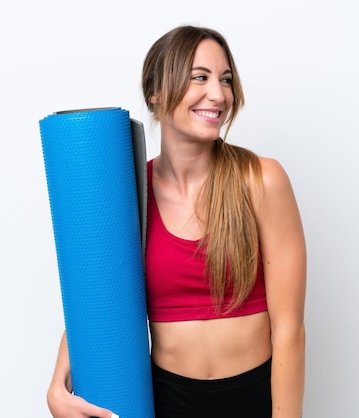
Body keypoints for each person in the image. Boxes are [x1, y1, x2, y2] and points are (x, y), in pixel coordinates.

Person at [46, 25, 306, 418]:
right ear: (155, 93)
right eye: (199, 77)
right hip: (165, 400)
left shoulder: (262, 180)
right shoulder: (128, 192)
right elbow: (101, 300)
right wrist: (57, 384)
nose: (218, 94)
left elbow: (289, 329)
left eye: (226, 79)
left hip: (253, 395)